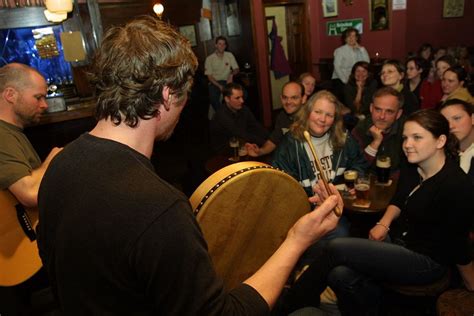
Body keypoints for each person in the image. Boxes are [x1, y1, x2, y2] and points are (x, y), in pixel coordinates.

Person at [36, 17, 341, 315]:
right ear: (167, 96)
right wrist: (297, 240)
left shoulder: (58, 166)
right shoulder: (159, 208)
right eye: (184, 96)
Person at [280, 109, 474, 315]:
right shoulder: (413, 165)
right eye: (406, 137)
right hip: (400, 242)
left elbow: (458, 243)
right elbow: (400, 198)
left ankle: (289, 306)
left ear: (440, 141)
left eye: (417, 137)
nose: (408, 144)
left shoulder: (455, 184)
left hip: (427, 261)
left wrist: (471, 283)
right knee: (340, 274)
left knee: (337, 247)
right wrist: (384, 222)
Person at [0, 63, 61, 313]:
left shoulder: (13, 133)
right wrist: (53, 160)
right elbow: (28, 193)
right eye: (38, 97)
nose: (44, 104)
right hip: (13, 251)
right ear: (10, 95)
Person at [272, 90, 367, 197]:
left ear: (334, 119)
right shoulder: (290, 143)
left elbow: (359, 163)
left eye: (329, 115)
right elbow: (281, 184)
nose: (323, 119)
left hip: (340, 203)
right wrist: (310, 193)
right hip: (307, 208)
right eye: (317, 112)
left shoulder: (344, 137)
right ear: (307, 112)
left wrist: (353, 182)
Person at [351, 87, 405, 176]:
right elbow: (355, 168)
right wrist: (375, 143)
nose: (382, 116)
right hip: (368, 183)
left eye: (389, 111)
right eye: (378, 109)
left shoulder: (406, 131)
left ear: (398, 114)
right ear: (371, 108)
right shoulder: (360, 130)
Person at [245, 81, 306, 157]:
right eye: (285, 97)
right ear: (281, 98)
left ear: (303, 99)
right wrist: (259, 151)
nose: (288, 102)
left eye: (294, 98)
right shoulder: (282, 116)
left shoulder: (312, 118)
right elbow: (274, 141)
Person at [210, 82, 269, 153]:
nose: (242, 101)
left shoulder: (244, 109)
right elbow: (241, 134)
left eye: (242, 97)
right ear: (227, 99)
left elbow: (255, 125)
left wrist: (271, 139)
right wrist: (266, 144)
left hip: (241, 142)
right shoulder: (222, 116)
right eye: (237, 98)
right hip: (225, 150)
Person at [440, 98, 474, 183]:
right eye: (445, 122)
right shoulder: (442, 155)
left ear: (473, 118)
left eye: (457, 118)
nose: (451, 126)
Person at [205, 36, 239, 112]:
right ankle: (222, 115)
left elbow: (236, 69)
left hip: (227, 81)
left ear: (226, 46)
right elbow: (209, 77)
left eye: (224, 44)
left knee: (241, 94)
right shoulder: (209, 59)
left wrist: (231, 74)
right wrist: (220, 86)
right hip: (215, 82)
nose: (222, 46)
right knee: (213, 99)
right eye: (220, 44)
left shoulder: (229, 55)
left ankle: (234, 113)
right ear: (216, 45)